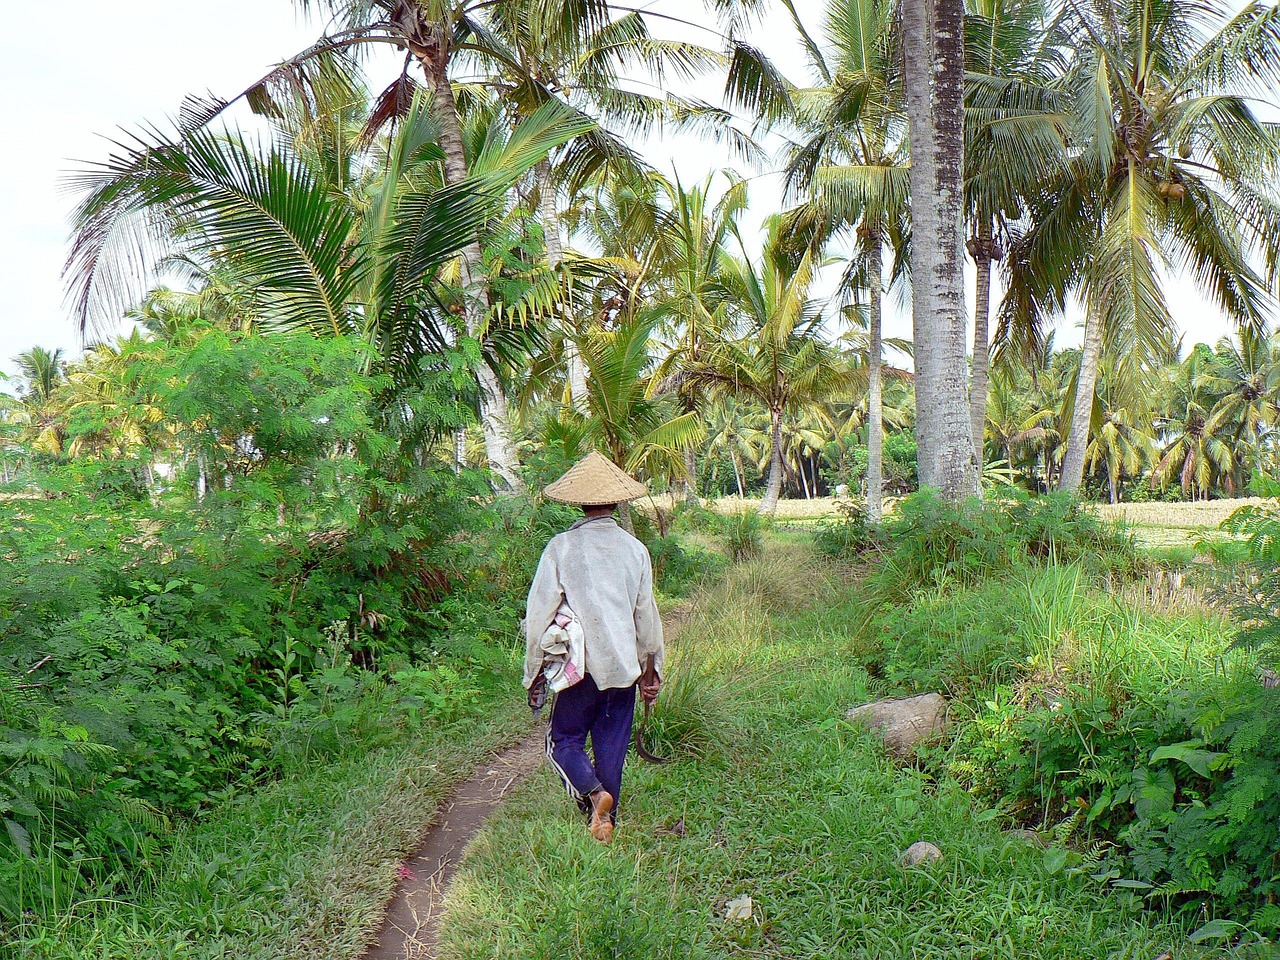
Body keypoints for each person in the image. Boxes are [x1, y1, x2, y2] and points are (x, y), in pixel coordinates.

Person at [523, 451, 664, 843]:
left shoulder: (561, 547)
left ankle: (594, 794)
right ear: (617, 501)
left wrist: (532, 668)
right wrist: (653, 674)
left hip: (580, 668)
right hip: (623, 668)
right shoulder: (635, 550)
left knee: (563, 740)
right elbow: (646, 621)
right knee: (611, 745)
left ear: (579, 502)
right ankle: (607, 815)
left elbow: (539, 615)